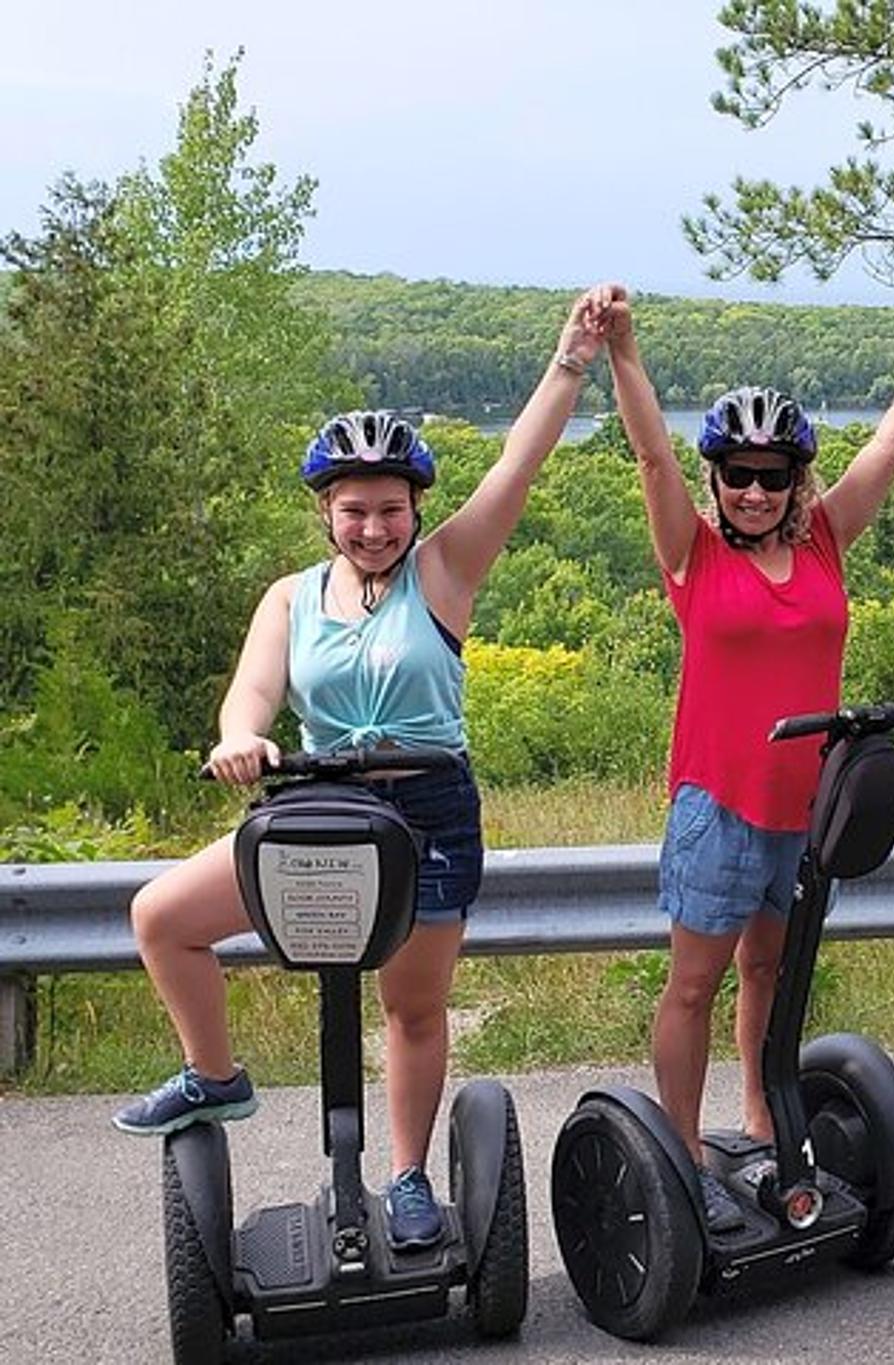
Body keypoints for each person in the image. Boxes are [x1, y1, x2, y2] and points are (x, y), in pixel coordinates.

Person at [114, 290, 608, 1252]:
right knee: (160, 918)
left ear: (415, 507)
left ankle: (409, 1174)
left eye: (390, 509)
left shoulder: (446, 571)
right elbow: (251, 694)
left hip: (426, 810)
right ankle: (214, 1073)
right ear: (326, 514)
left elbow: (520, 463)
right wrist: (241, 737)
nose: (374, 528)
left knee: (409, 1006)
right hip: (315, 807)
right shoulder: (290, 598)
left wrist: (572, 358)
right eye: (355, 511)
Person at [602, 283, 894, 1233]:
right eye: (739, 473)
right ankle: (685, 1153)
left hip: (805, 811)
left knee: (772, 975)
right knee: (695, 981)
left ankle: (766, 1118)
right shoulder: (694, 554)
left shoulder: (823, 539)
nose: (757, 490)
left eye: (774, 475)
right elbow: (652, 454)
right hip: (720, 802)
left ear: (796, 481)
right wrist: (623, 352)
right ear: (720, 478)